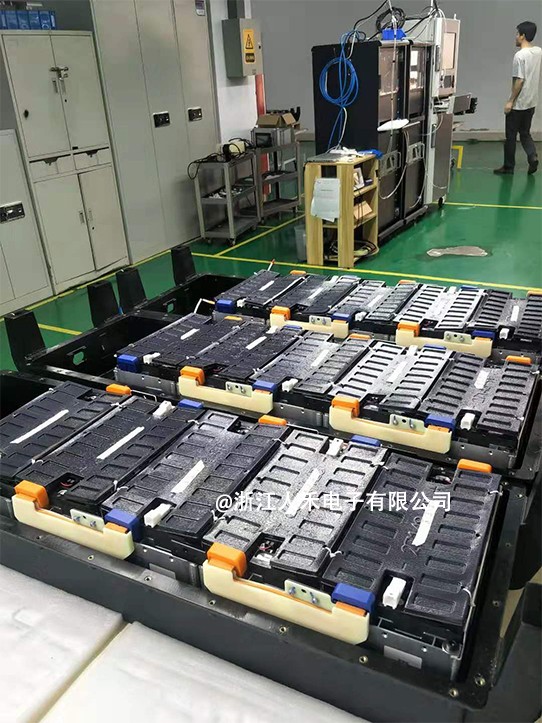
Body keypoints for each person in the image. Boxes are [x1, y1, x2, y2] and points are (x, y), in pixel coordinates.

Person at [494, 21, 541, 175]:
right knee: (525, 133)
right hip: (531, 101)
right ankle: (532, 156)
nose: (515, 37)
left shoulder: (519, 56)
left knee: (511, 136)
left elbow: (519, 80)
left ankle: (508, 167)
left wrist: (510, 101)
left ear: (523, 36)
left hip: (519, 104)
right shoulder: (538, 52)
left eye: (517, 34)